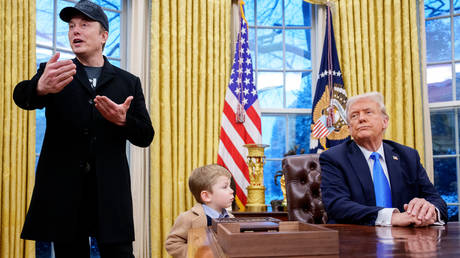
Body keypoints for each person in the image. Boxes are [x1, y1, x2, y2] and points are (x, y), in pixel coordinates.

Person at [13, 1, 154, 257]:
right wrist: (40, 88)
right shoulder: (53, 72)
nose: (75, 31)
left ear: (103, 36)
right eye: (71, 26)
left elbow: (146, 136)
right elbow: (22, 97)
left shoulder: (128, 82)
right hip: (64, 192)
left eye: (84, 25)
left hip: (110, 193)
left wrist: (123, 121)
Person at [320, 92, 447, 226]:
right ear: (349, 128)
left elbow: (436, 199)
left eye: (368, 112)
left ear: (384, 122)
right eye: (354, 115)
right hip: (355, 239)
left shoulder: (408, 156)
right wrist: (391, 217)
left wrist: (430, 212)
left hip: (407, 241)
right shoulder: (334, 158)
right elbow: (337, 205)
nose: (361, 119)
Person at [165, 164, 235, 258]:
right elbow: (172, 244)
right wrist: (195, 253)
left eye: (230, 186)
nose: (231, 191)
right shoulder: (188, 218)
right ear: (206, 196)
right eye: (225, 187)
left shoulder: (231, 218)